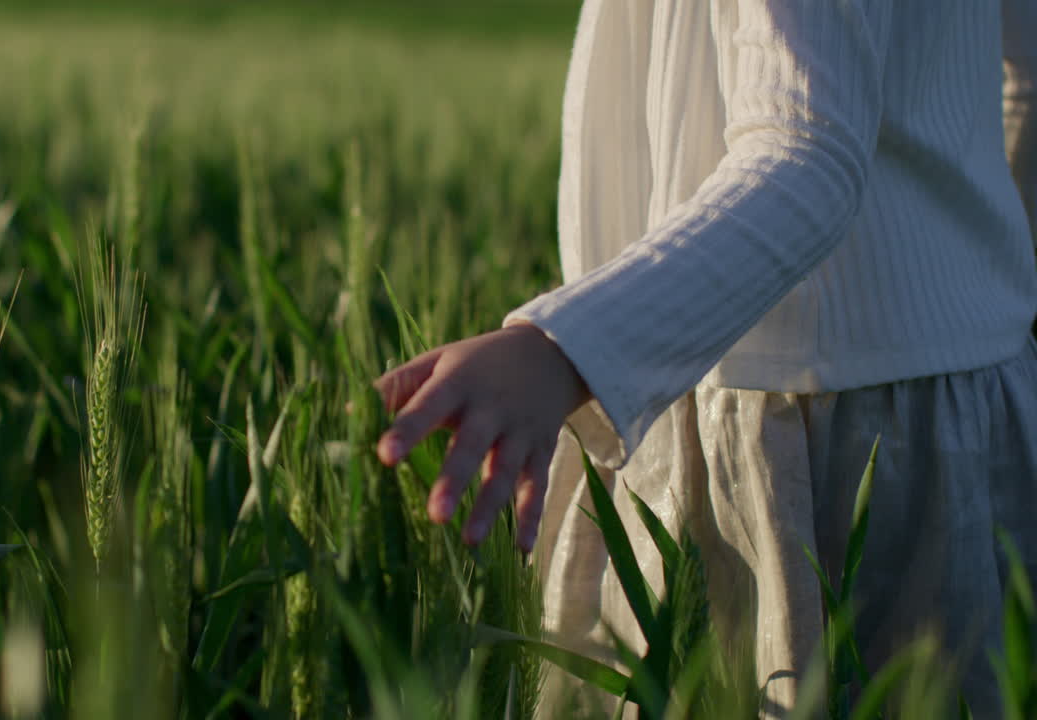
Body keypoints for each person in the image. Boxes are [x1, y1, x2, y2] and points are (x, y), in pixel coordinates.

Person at [372, 0, 1037, 717]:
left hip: (800, 443)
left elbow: (805, 148)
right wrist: (976, 293)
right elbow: (1025, 72)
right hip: (946, 419)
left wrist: (563, 353)